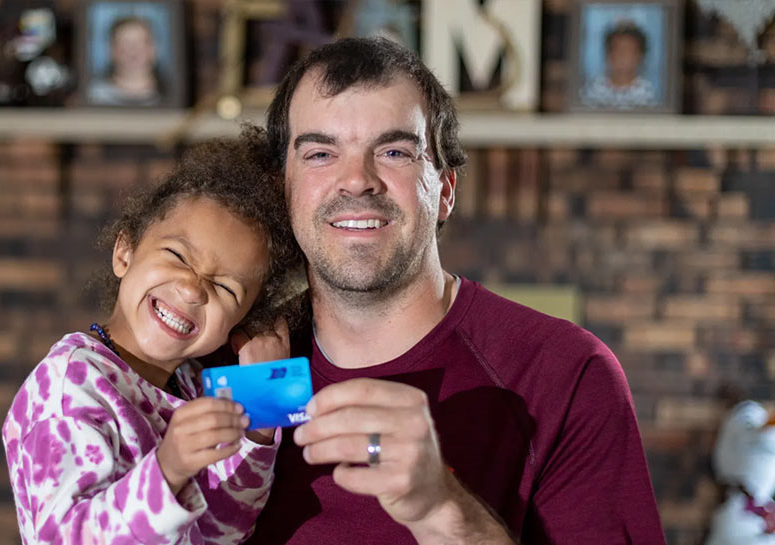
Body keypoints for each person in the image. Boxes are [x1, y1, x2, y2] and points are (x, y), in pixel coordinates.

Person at [244, 37, 668, 544]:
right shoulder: (233, 363)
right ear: (282, 187)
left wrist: (440, 510)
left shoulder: (567, 374)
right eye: (320, 153)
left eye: (394, 150)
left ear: (444, 190)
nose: (356, 181)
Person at [3, 128, 305, 544]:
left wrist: (260, 413)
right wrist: (168, 469)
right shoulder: (68, 383)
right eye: (178, 256)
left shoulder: (192, 386)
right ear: (124, 252)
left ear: (239, 322)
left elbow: (225, 531)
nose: (192, 288)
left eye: (226, 289)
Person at [86, 15, 168, 106]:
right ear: (112, 50)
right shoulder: (94, 94)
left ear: (153, 48)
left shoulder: (171, 92)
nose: (133, 51)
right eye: (125, 43)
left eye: (140, 42)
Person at [581, 20, 658, 109]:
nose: (622, 55)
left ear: (640, 56)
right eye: (617, 50)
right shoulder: (592, 91)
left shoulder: (649, 93)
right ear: (608, 54)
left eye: (628, 50)